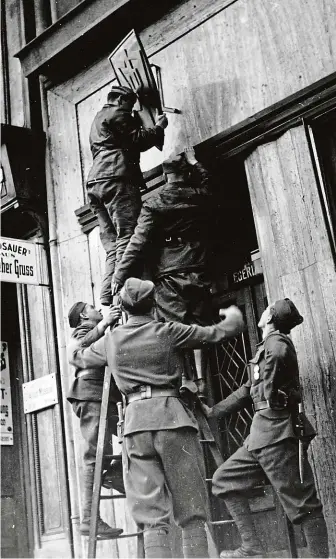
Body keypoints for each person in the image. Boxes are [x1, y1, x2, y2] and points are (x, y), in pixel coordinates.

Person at [68, 277, 245, 558]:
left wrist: (101, 327)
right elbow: (220, 333)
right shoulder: (168, 331)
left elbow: (77, 357)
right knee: (191, 510)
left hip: (136, 426)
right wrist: (233, 315)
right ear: (153, 306)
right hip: (173, 420)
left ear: (124, 309)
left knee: (151, 516)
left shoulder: (111, 340)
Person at [202, 298, 329, 558]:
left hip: (278, 435)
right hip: (260, 437)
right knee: (224, 480)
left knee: (303, 504)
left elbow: (280, 355)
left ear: (269, 318)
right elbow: (248, 390)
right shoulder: (267, 346)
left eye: (266, 309)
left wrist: (271, 389)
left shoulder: (276, 341)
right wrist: (214, 412)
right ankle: (252, 547)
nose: (262, 312)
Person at [86, 85, 168, 309]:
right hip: (116, 177)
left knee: (112, 244)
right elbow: (138, 140)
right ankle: (118, 287)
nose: (132, 110)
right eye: (130, 105)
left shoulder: (98, 117)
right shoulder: (118, 113)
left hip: (95, 183)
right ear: (121, 100)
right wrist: (159, 127)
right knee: (127, 235)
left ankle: (106, 295)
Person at [112, 148, 213, 326]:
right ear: (188, 173)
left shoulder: (153, 204)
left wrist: (119, 275)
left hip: (169, 272)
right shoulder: (198, 196)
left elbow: (137, 242)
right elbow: (209, 183)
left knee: (174, 329)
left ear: (166, 176)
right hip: (197, 265)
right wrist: (195, 162)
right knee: (198, 326)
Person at [67, 301, 125, 538]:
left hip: (103, 397)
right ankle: (89, 519)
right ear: (83, 315)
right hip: (91, 395)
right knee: (94, 454)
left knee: (130, 438)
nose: (98, 310)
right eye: (93, 307)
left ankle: (113, 474)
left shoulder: (96, 329)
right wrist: (104, 324)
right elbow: (75, 350)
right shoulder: (82, 332)